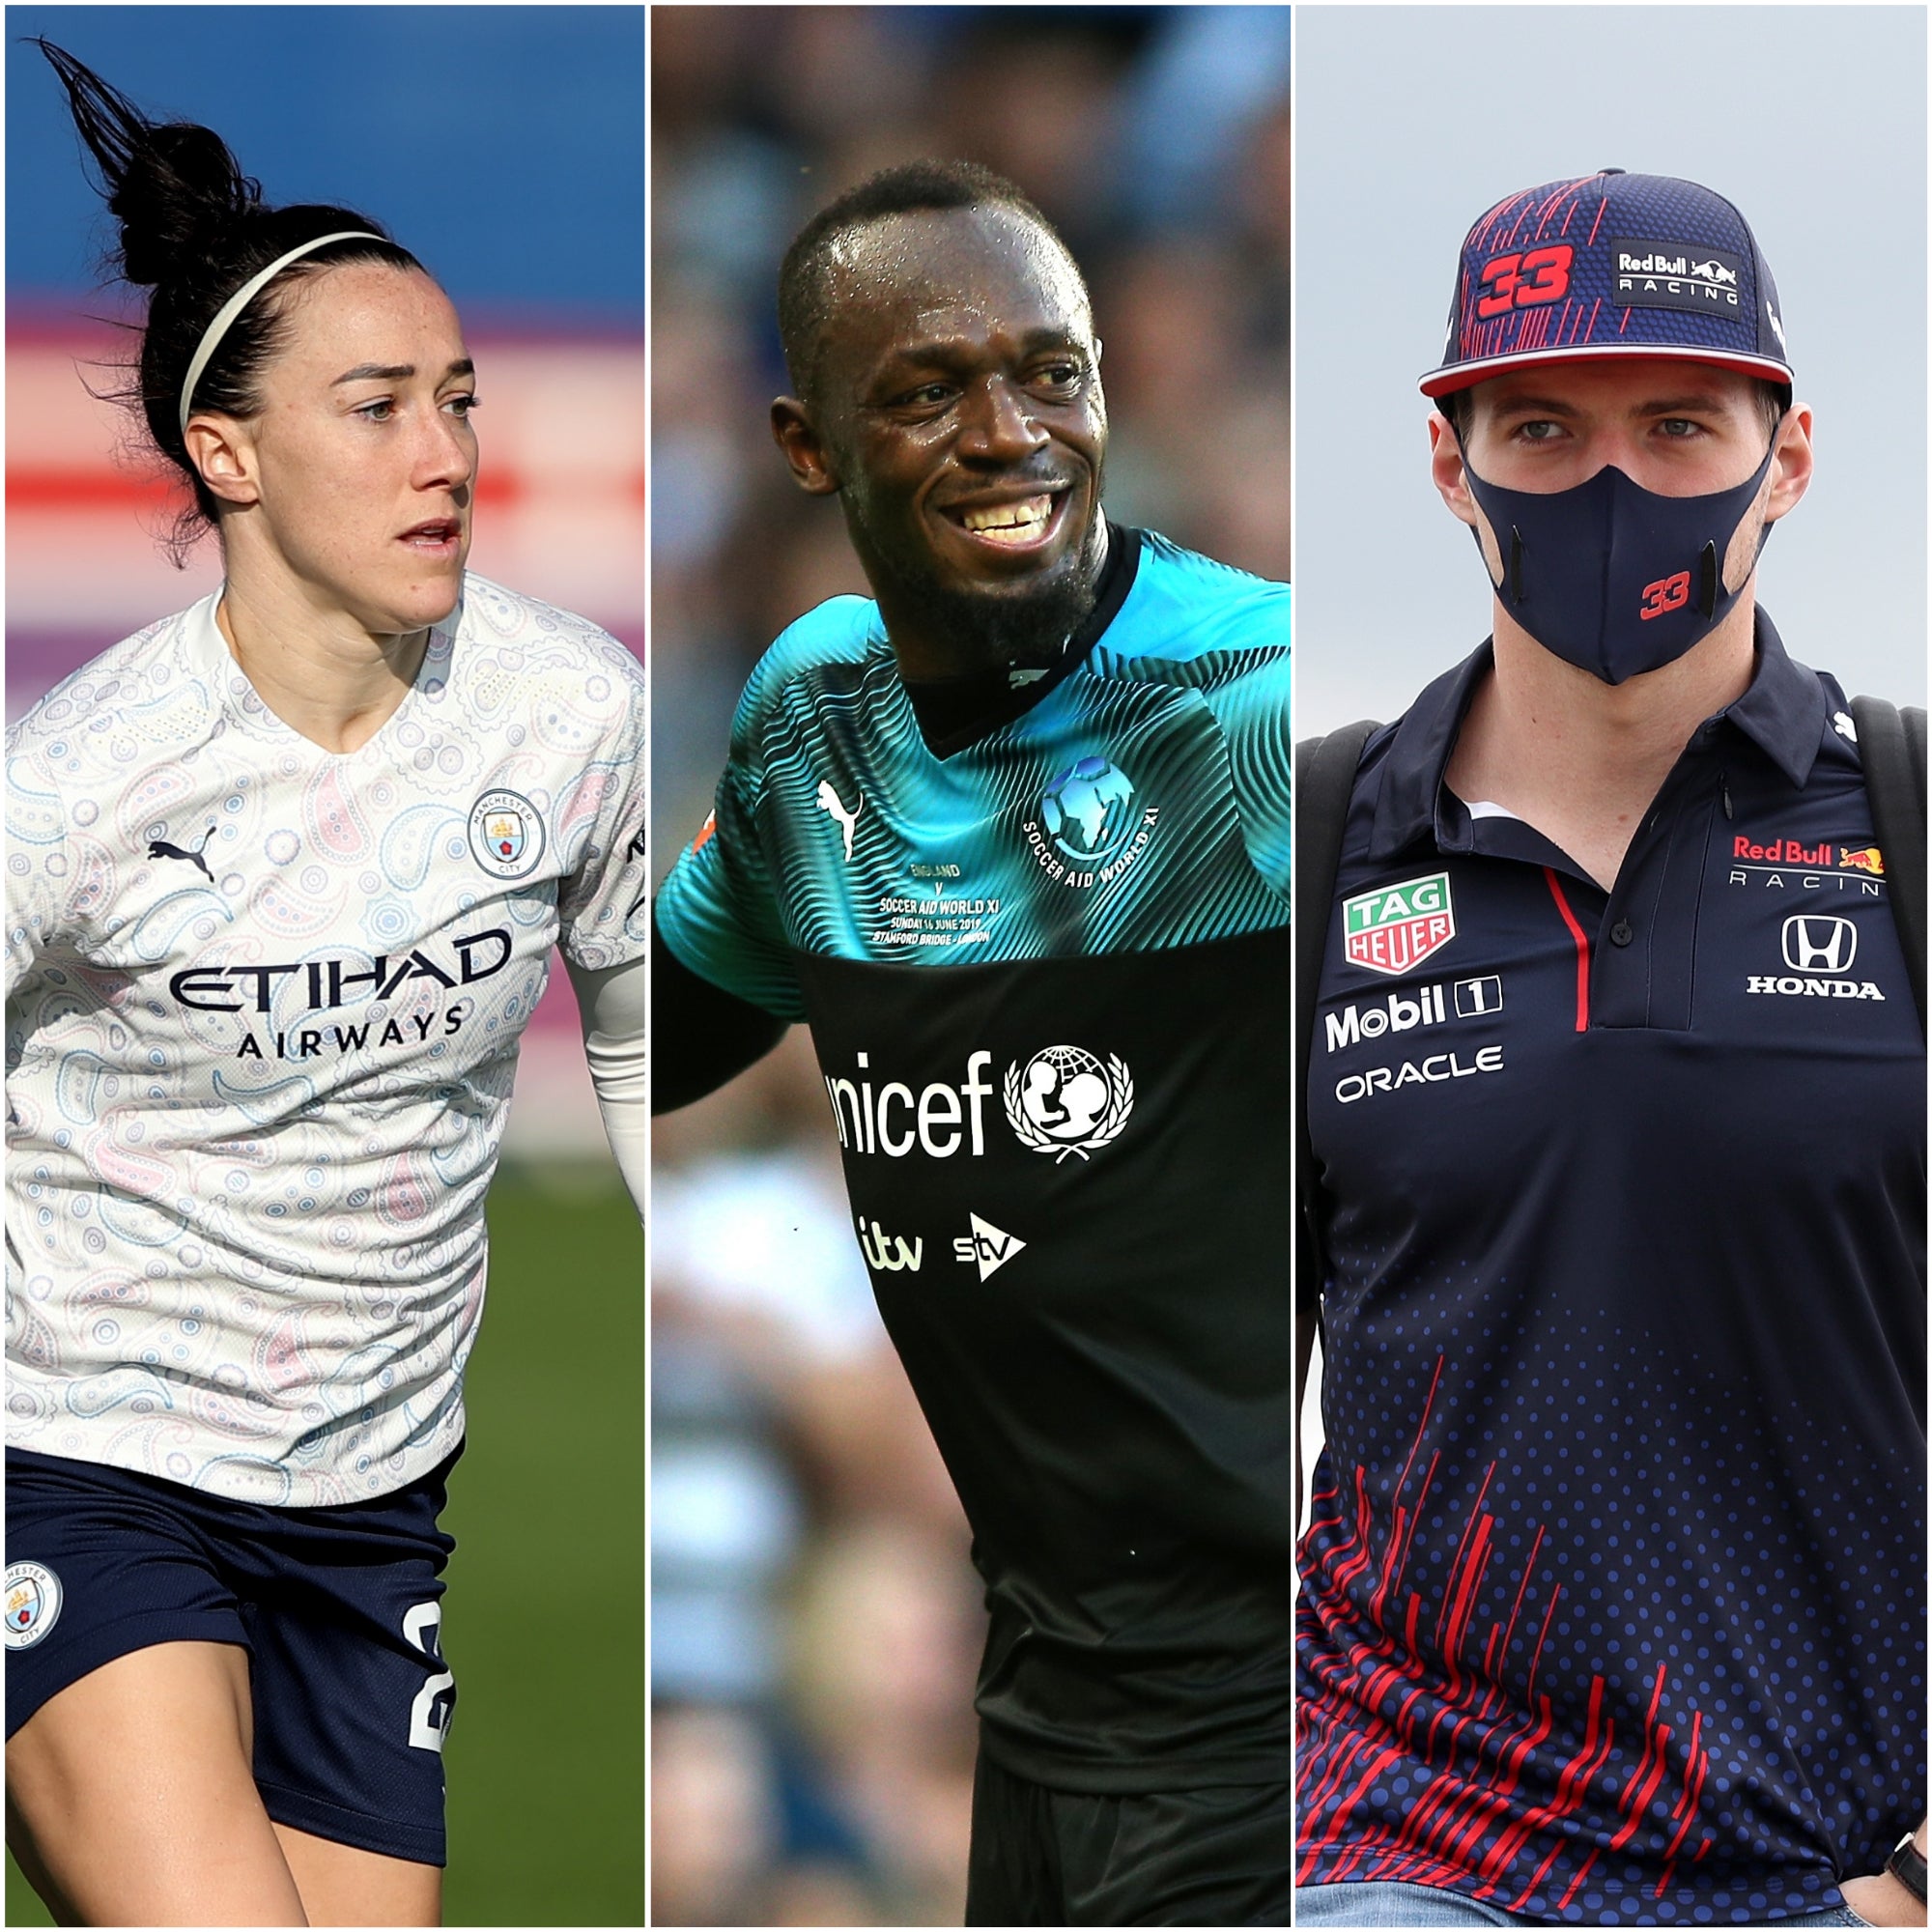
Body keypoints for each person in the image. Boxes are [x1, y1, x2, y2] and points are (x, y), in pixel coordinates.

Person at [4, 45, 646, 1928]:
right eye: (375, 407)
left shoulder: (572, 711)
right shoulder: (75, 788)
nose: (446, 451)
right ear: (231, 455)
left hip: (374, 1503)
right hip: (80, 1464)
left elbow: (634, 1034)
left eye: (455, 397)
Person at [653, 159, 1293, 1925]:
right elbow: (657, 1031)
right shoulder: (817, 717)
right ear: (804, 445)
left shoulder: (1261, 718)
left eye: (1052, 373)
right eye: (928, 392)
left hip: (1295, 1700)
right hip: (1047, 1700)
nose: (1011, 434)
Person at [1294, 170, 1925, 1927]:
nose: (1615, 483)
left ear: (1785, 455)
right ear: (1451, 464)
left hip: (1831, 1862)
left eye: (1676, 423)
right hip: (1406, 1837)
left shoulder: (1915, 827)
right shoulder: (1315, 845)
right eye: (1544, 429)